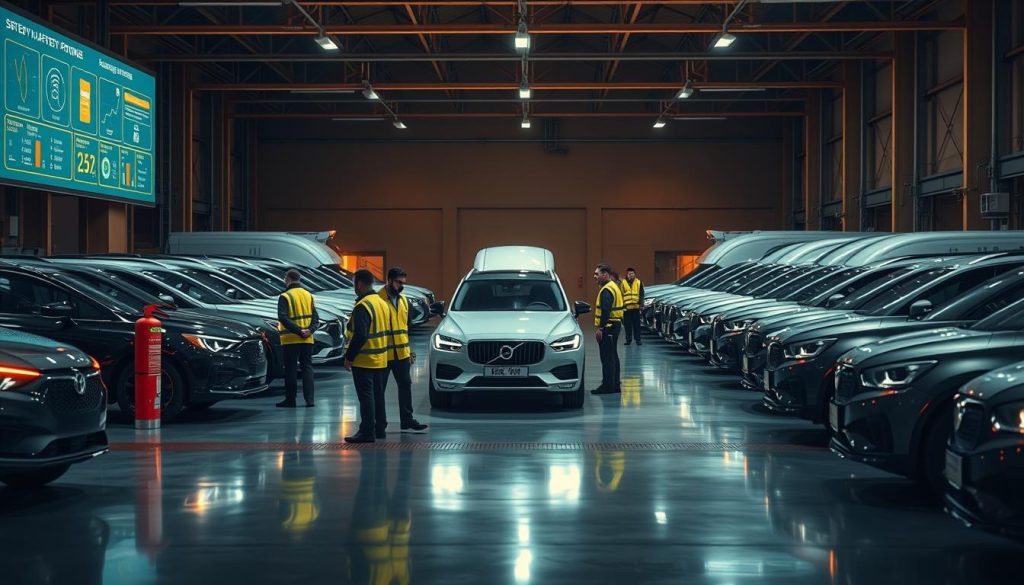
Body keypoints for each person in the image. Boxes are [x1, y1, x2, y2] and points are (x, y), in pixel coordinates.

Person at [343, 269, 392, 443]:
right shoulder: (381, 302)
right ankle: (380, 429)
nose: (354, 287)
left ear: (360, 284)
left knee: (366, 397)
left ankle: (367, 432)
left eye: (354, 283)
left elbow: (361, 335)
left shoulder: (363, 306)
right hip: (381, 358)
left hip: (364, 360)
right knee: (378, 396)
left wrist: (349, 357)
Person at [379, 267, 428, 433]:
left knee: (406, 385)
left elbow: (406, 329)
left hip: (401, 354)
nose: (401, 286)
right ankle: (379, 423)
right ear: (389, 280)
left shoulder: (404, 300)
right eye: (398, 282)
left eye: (403, 283)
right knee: (379, 390)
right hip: (382, 354)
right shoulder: (378, 299)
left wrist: (409, 352)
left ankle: (407, 420)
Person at [276, 268, 318, 408]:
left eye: (284, 279)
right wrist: (309, 330)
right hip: (307, 339)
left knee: (291, 369)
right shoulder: (308, 295)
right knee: (307, 367)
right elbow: (316, 318)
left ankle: (290, 399)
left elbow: (283, 317)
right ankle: (310, 400)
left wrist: (298, 331)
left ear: (288, 279)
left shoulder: (285, 296)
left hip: (290, 339)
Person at [592, 263, 624, 395]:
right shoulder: (613, 287)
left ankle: (607, 386)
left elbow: (605, 310)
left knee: (607, 358)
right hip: (614, 325)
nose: (595, 276)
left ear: (605, 275)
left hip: (609, 327)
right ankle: (615, 385)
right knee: (613, 356)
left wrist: (601, 328)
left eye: (597, 274)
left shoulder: (607, 290)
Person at [620, 267, 645, 346]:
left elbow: (641, 294)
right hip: (626, 308)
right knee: (627, 326)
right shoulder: (623, 283)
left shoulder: (639, 282)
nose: (631, 275)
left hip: (636, 308)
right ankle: (628, 340)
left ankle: (638, 340)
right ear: (627, 275)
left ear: (635, 274)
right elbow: (621, 294)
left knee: (637, 325)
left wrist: (641, 304)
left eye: (632, 273)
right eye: (629, 274)